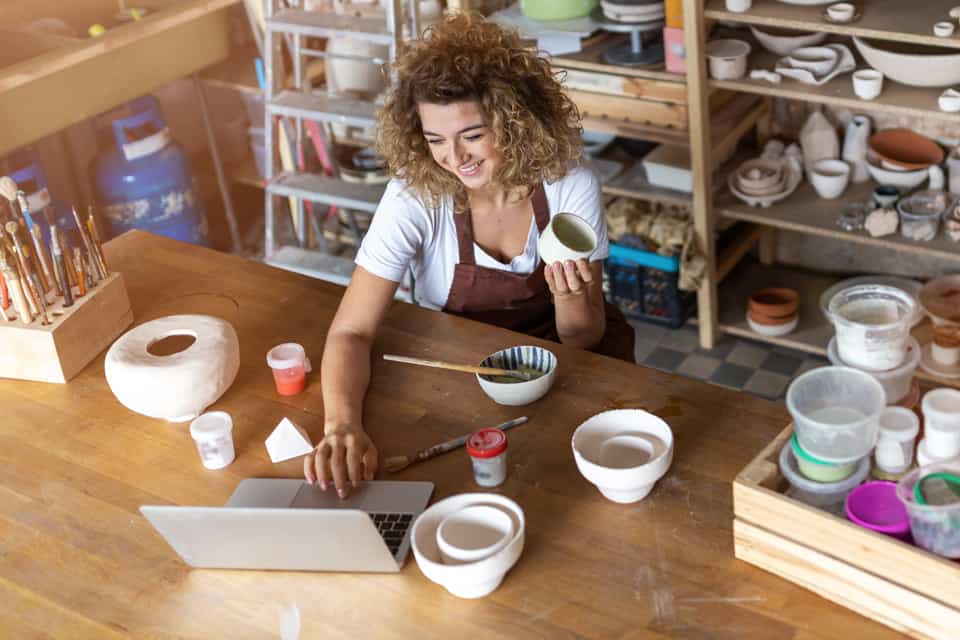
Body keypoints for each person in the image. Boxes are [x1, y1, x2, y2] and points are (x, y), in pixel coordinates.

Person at [304, 13, 635, 496]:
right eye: (436, 139)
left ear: (516, 121)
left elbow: (584, 337)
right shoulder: (417, 196)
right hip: (459, 372)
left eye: (472, 135)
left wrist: (569, 297)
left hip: (565, 365)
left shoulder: (568, 186)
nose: (454, 158)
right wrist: (341, 427)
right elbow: (352, 331)